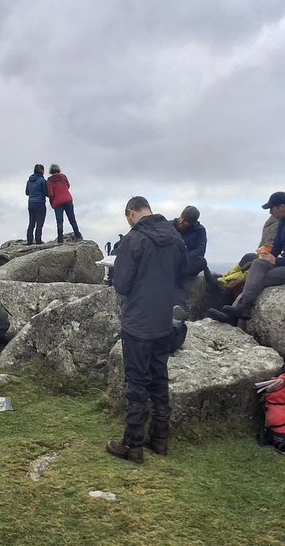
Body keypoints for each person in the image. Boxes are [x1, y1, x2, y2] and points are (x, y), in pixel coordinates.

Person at [106, 196, 188, 464]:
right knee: (159, 378)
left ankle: (133, 445)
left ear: (131, 213)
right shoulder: (175, 237)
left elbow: (122, 284)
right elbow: (182, 272)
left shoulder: (134, 239)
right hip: (164, 321)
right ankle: (160, 439)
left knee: (137, 384)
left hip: (138, 322)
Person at [210, 191, 285, 323]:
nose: (270, 213)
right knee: (257, 264)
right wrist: (267, 256)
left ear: (282, 207)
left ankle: (237, 313)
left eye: (271, 209)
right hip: (284, 262)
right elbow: (277, 246)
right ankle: (241, 309)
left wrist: (277, 260)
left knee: (260, 278)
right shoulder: (284, 222)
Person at [46, 163, 82, 244]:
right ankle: (78, 235)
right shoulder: (63, 176)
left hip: (57, 202)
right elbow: (68, 185)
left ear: (51, 171)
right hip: (68, 199)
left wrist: (52, 201)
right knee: (72, 219)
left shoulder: (49, 180)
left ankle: (60, 240)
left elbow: (50, 194)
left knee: (59, 222)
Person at [173, 205, 208, 277]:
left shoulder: (199, 231)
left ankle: (177, 276)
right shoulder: (169, 226)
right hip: (169, 259)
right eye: (181, 218)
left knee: (202, 262)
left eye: (185, 222)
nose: (181, 222)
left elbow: (200, 250)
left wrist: (183, 258)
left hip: (184, 263)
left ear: (193, 224)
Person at [25, 164, 48, 244]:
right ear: (42, 170)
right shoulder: (42, 180)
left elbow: (27, 192)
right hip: (40, 203)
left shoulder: (29, 181)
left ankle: (29, 240)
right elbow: (45, 192)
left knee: (31, 222)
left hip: (30, 202)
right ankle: (38, 240)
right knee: (39, 223)